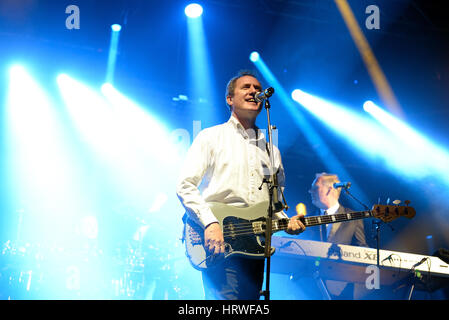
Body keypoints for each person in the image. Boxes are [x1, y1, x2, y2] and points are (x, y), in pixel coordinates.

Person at [176, 70, 305, 300]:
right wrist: (210, 223)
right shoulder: (210, 137)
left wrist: (287, 222)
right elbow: (185, 185)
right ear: (229, 99)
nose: (254, 91)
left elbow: (273, 205)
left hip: (255, 247)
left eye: (257, 88)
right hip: (219, 241)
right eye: (246, 87)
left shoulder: (271, 151)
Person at [307, 172, 368, 299]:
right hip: (310, 287)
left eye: (315, 188)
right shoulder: (308, 220)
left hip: (343, 288)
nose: (310, 191)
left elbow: (362, 248)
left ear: (330, 190)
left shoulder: (353, 217)